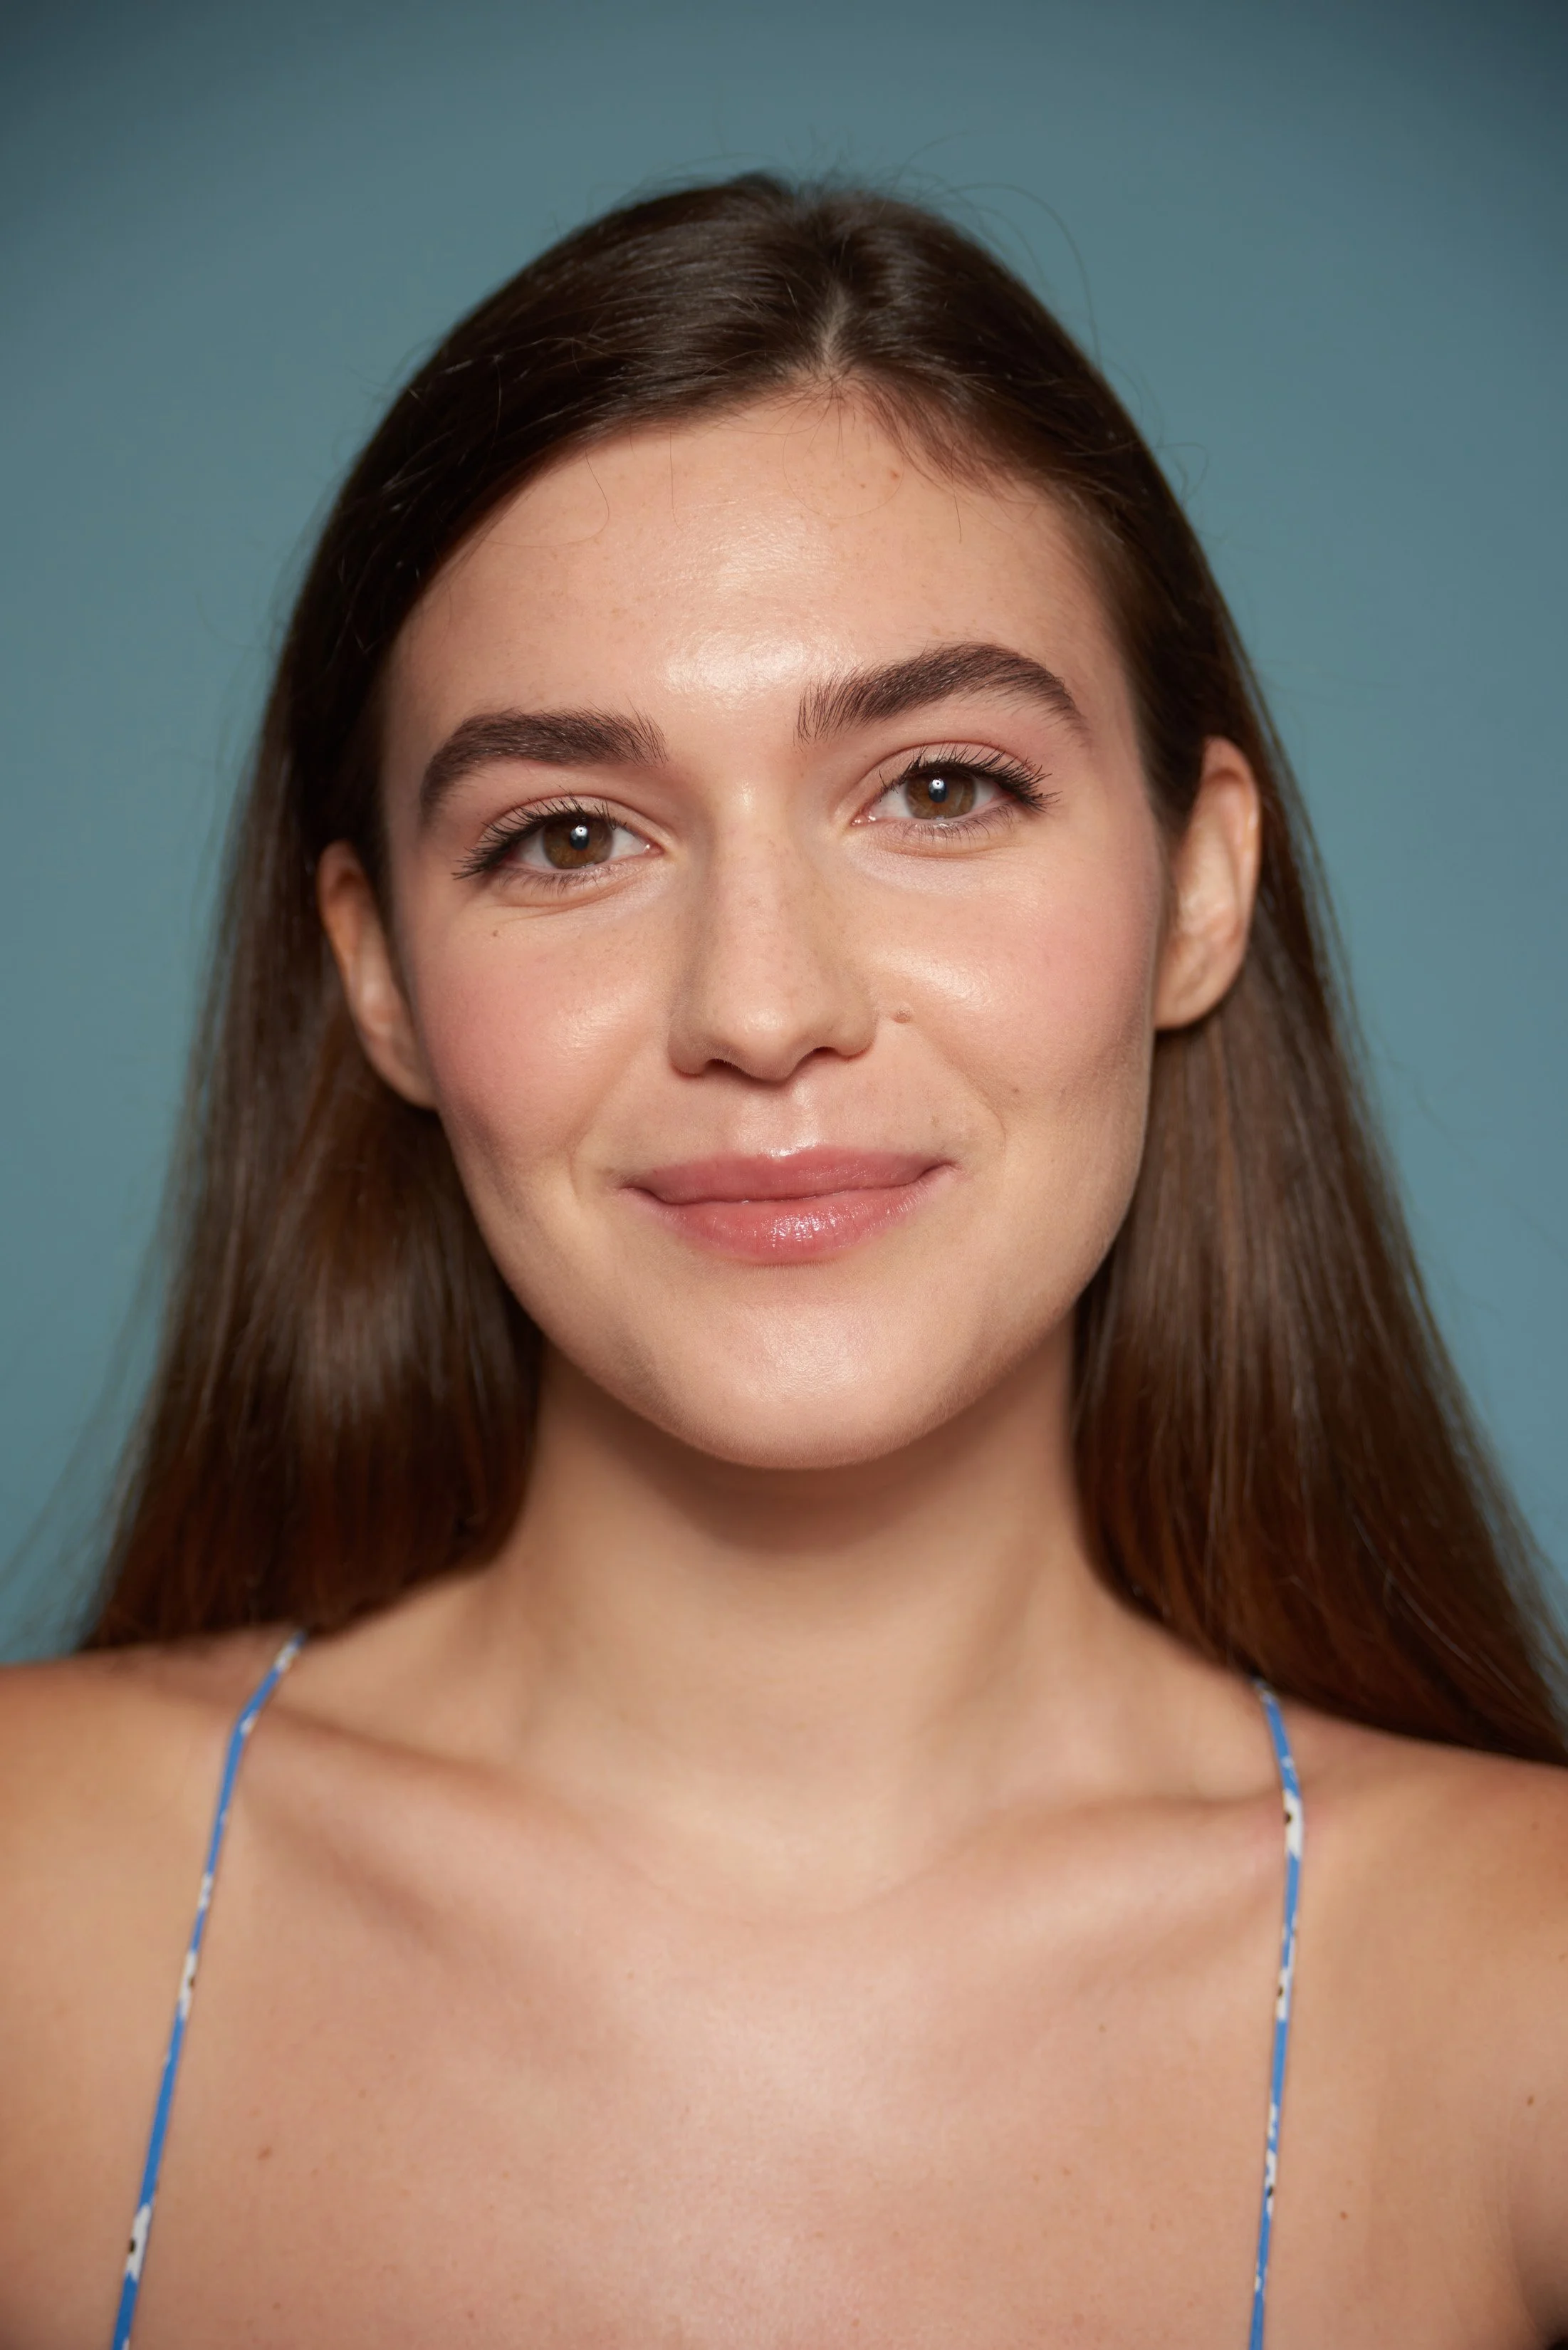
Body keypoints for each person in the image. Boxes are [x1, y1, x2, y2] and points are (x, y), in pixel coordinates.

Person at [0, 174, 1564, 2349]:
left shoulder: (1526, 1993)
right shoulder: (28, 1910)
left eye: (939, 785)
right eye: (567, 834)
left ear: (1201, 884)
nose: (760, 1001)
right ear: (376, 977)